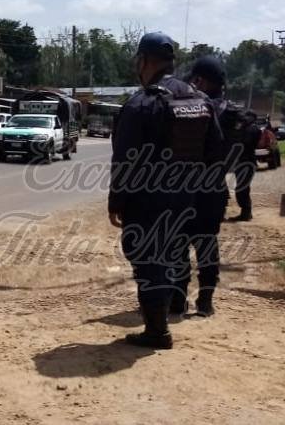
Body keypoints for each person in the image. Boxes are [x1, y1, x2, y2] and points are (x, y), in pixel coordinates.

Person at [108, 33, 222, 349]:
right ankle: (173, 309)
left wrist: (116, 201)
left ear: (143, 61)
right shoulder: (201, 101)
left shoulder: (141, 102)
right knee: (173, 254)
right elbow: (215, 152)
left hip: (147, 200)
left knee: (148, 261)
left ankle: (157, 332)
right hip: (188, 197)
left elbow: (124, 160)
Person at [173, 55, 232, 318]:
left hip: (184, 188)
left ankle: (178, 300)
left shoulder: (189, 107)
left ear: (199, 80)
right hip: (215, 189)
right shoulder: (231, 112)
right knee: (207, 245)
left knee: (179, 245)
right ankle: (206, 301)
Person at [228, 110, 261, 222]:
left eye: (248, 117)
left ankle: (246, 213)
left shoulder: (252, 129)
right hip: (242, 161)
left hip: (247, 162)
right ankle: (246, 212)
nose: (245, 119)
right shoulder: (246, 128)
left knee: (242, 188)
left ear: (253, 118)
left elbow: (245, 142)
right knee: (242, 188)